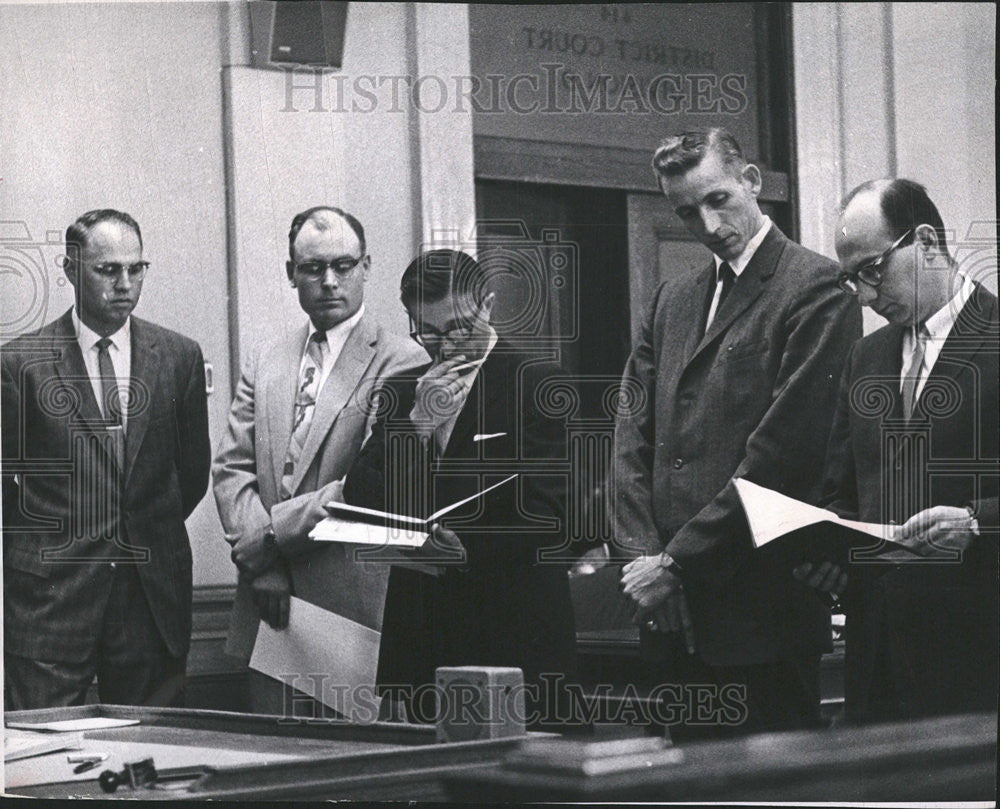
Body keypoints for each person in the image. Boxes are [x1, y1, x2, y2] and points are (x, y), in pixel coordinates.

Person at [615, 129, 861, 738]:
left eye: (718, 198)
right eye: (685, 211)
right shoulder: (672, 299)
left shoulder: (817, 288)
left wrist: (676, 563)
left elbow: (782, 456)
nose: (706, 222)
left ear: (751, 182)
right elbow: (628, 439)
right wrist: (645, 558)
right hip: (669, 611)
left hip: (760, 611)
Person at [342, 249, 576, 725]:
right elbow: (361, 492)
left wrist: (468, 549)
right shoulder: (403, 391)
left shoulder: (537, 383)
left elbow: (557, 514)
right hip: (426, 632)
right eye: (427, 332)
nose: (445, 347)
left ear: (487, 304)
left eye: (459, 329)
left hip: (515, 628)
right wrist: (417, 426)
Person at [795, 179, 998, 723]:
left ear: (927, 241)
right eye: (850, 279)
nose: (863, 294)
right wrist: (821, 547)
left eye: (872, 269)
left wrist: (977, 522)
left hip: (976, 657)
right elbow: (843, 493)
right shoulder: (866, 357)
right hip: (875, 655)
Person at [212, 206, 425, 715]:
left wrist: (269, 545)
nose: (329, 281)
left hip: (351, 614)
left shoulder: (403, 360)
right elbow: (232, 470)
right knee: (277, 774)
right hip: (269, 608)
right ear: (292, 273)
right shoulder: (268, 358)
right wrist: (263, 569)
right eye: (312, 268)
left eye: (344, 266)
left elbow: (365, 486)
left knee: (351, 779)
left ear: (367, 267)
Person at [2, 209, 210, 709]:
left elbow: (191, 475)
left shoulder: (178, 357)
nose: (125, 283)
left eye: (136, 269)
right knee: (44, 760)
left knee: (152, 761)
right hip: (52, 603)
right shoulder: (20, 364)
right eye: (108, 270)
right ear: (71, 269)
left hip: (150, 599)